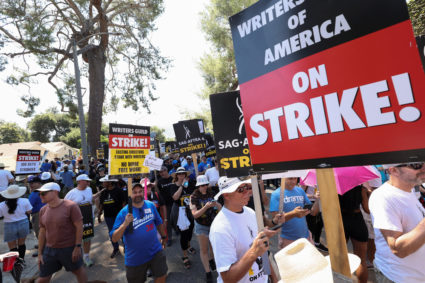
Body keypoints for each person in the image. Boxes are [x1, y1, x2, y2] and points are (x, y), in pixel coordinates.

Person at [209, 177, 284, 283]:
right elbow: (228, 278)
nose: (248, 192)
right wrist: (254, 251)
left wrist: (273, 278)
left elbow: (263, 252)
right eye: (241, 189)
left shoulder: (250, 212)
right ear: (226, 195)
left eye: (248, 187)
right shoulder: (220, 228)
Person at [369, 162, 425, 283]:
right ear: (394, 171)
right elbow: (397, 249)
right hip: (399, 277)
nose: (424, 168)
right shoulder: (382, 197)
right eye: (416, 165)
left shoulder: (408, 191)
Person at [111, 183, 168, 283]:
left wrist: (163, 236)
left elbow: (158, 222)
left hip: (155, 251)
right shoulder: (124, 212)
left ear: (143, 192)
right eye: (134, 192)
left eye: (140, 191)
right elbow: (114, 238)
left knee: (162, 275)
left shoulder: (150, 205)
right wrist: (125, 224)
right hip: (135, 258)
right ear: (130, 194)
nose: (138, 194)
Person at [36, 182, 87, 283]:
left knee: (78, 271)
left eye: (43, 193)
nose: (41, 196)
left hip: (68, 248)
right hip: (49, 250)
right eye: (40, 194)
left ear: (55, 192)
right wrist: (40, 253)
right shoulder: (43, 210)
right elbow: (42, 232)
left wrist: (77, 247)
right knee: (43, 278)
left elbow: (79, 227)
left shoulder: (71, 206)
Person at [269, 177, 320, 249]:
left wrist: (318, 199)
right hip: (288, 239)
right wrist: (293, 213)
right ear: (283, 178)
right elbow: (276, 220)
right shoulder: (276, 194)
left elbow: (313, 212)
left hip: (305, 236)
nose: (293, 181)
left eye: (295, 179)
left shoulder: (300, 191)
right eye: (290, 179)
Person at [65, 174, 101, 267]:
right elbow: (65, 205)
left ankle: (86, 256)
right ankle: (76, 256)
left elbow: (90, 198)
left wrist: (99, 194)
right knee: (76, 239)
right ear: (79, 181)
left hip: (89, 217)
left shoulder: (89, 189)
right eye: (86, 181)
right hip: (76, 220)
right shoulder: (72, 193)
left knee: (87, 238)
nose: (88, 182)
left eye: (88, 180)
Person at [190, 175, 221, 283]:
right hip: (201, 225)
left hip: (213, 224)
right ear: (198, 186)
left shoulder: (211, 193)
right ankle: (208, 272)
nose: (204, 187)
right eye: (202, 185)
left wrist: (217, 204)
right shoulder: (193, 197)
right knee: (204, 249)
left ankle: (211, 260)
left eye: (206, 185)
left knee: (213, 246)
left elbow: (220, 208)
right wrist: (206, 207)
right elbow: (195, 215)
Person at [338, 185, 369, 283]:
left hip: (340, 220)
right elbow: (367, 210)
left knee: (339, 259)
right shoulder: (361, 188)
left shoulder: (335, 187)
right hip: (357, 221)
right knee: (361, 261)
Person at [170, 167, 196, 269]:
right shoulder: (173, 186)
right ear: (176, 175)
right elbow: (175, 197)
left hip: (189, 211)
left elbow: (194, 195)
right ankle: (185, 256)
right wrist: (181, 185)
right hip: (179, 212)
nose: (181, 175)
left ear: (186, 175)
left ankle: (189, 245)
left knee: (190, 231)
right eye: (179, 174)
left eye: (183, 174)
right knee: (184, 234)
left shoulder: (189, 185)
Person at [0, 185, 32, 261]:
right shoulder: (25, 200)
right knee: (21, 243)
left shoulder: (1, 205)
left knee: (12, 246)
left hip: (9, 225)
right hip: (23, 223)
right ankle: (21, 261)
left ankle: (16, 263)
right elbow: (29, 211)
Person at [98, 175, 124, 258]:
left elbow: (123, 203)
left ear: (109, 182)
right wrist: (99, 215)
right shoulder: (103, 192)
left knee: (122, 232)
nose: (103, 183)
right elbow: (101, 204)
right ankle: (116, 249)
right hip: (108, 216)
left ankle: (127, 247)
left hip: (118, 216)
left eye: (104, 182)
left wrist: (124, 215)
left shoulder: (119, 191)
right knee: (111, 233)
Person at [157, 166, 175, 246]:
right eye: (160, 172)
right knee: (167, 222)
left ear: (166, 170)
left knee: (175, 219)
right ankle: (169, 238)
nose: (162, 173)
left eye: (163, 171)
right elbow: (158, 193)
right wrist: (155, 186)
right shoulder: (159, 181)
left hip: (175, 203)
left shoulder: (173, 178)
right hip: (165, 205)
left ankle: (177, 229)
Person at [28, 175, 45, 257]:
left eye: (33, 183)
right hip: (43, 212)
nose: (31, 184)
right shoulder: (43, 190)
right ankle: (41, 245)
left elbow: (29, 206)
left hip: (38, 214)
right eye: (30, 183)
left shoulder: (35, 193)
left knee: (39, 232)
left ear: (39, 183)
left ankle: (42, 250)